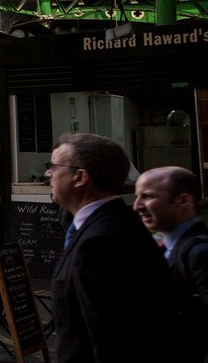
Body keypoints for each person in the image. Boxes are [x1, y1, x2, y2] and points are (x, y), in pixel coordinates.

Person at [47, 133, 181, 362]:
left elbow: (110, 338)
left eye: (54, 166)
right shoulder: (117, 223)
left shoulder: (98, 244)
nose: (48, 173)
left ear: (80, 177)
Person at [135, 165, 208, 360]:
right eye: (137, 196)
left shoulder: (199, 253)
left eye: (148, 196)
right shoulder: (165, 248)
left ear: (183, 200)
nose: (137, 206)